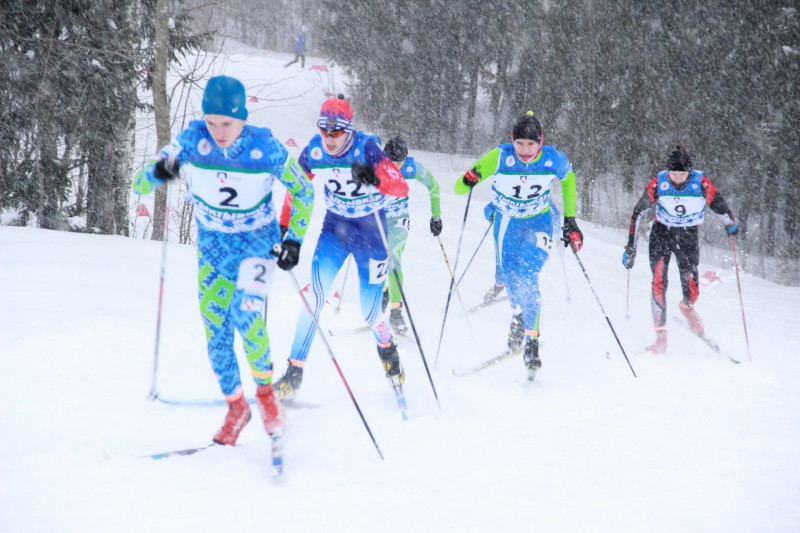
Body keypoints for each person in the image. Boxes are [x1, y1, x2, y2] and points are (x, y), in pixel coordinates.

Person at [132, 75, 315, 446]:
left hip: (256, 245)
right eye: (212, 122)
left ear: (243, 119)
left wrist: (292, 239)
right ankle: (236, 407)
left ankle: (266, 398)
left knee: (247, 317)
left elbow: (304, 189)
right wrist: (157, 173)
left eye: (227, 123)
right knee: (216, 333)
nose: (218, 131)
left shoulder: (264, 147)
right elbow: (139, 184)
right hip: (213, 249)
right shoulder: (191, 141)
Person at [273, 95, 410, 399]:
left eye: (336, 134)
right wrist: (284, 227)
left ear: (349, 130)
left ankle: (387, 349)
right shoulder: (315, 150)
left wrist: (374, 178)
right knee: (315, 295)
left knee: (369, 311)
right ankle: (293, 372)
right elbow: (296, 188)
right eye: (325, 132)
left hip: (372, 233)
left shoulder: (366, 147)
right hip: (335, 229)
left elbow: (401, 186)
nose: (330, 140)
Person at [454, 111, 583, 381]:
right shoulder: (500, 157)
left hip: (540, 223)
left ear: (540, 142)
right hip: (507, 224)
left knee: (528, 275)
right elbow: (458, 188)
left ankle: (532, 342)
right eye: (520, 144)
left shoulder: (552, 159)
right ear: (512, 141)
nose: (525, 151)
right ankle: (518, 315)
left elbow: (568, 180)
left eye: (531, 144)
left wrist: (570, 220)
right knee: (511, 276)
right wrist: (468, 180)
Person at [622, 145, 738, 353]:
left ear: (689, 172)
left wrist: (729, 222)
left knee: (691, 286)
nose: (676, 179)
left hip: (687, 236)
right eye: (673, 174)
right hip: (661, 234)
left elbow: (718, 203)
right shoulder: (659, 182)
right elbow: (639, 211)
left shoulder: (700, 183)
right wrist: (630, 246)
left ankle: (687, 307)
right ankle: (660, 338)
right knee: (658, 283)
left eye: (681, 174)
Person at [381, 136, 442, 335]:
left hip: (399, 222)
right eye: (390, 163)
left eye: (398, 164)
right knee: (377, 262)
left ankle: (396, 312)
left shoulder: (410, 168)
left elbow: (433, 185)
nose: (394, 168)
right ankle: (385, 292)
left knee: (393, 258)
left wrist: (436, 216)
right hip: (378, 222)